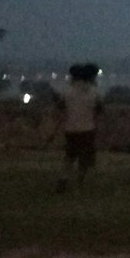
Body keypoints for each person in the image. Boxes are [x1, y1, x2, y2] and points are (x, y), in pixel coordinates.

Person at [56, 63, 103, 192]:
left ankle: (63, 179)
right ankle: (79, 182)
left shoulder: (67, 91)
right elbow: (99, 109)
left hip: (70, 129)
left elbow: (61, 106)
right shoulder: (94, 92)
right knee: (85, 159)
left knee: (69, 156)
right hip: (87, 129)